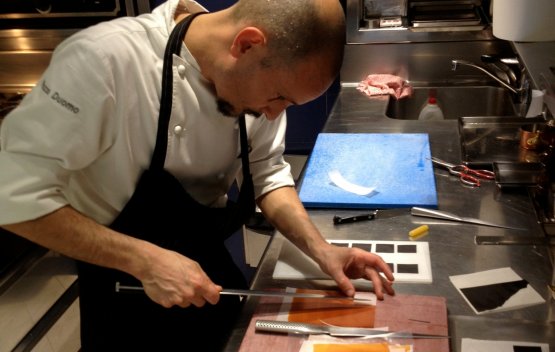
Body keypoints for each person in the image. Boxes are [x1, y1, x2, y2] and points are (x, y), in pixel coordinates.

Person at [0, 0, 395, 350]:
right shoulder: (103, 60)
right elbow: (11, 196)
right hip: (122, 283)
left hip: (205, 271)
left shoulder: (262, 79)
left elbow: (267, 172)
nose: (275, 114)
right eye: (278, 98)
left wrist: (322, 252)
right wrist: (144, 261)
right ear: (246, 44)